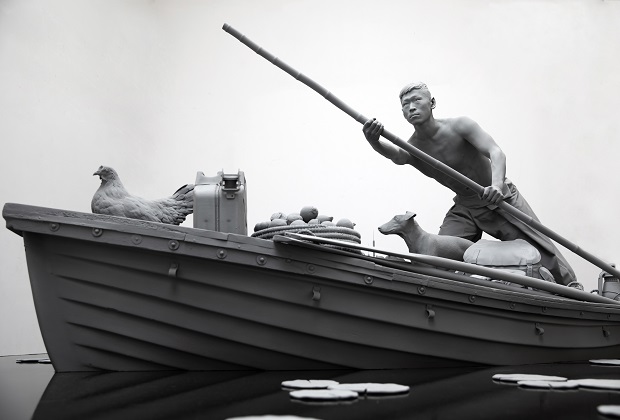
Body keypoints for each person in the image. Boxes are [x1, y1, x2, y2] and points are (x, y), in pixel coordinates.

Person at [363, 82, 577, 286]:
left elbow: (496, 153)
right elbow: (397, 156)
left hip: (498, 199)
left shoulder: (460, 125)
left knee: (542, 253)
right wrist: (373, 140)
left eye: (416, 100)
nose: (411, 107)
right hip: (466, 207)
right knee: (435, 255)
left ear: (432, 103)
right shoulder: (413, 148)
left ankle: (573, 289)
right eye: (405, 104)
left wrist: (496, 185)